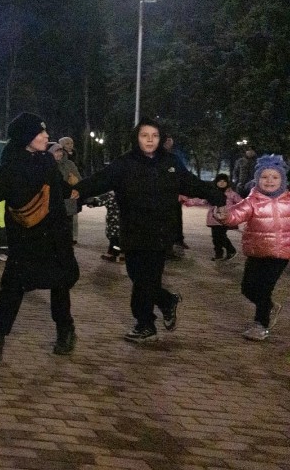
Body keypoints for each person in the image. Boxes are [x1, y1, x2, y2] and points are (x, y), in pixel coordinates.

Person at [75, 118, 224, 343]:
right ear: (137, 138)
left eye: (154, 136)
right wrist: (75, 191)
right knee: (138, 276)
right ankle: (166, 301)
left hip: (161, 230)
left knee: (147, 280)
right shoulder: (124, 163)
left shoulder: (170, 163)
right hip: (133, 230)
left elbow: (192, 184)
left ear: (160, 138)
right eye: (145, 135)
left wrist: (216, 196)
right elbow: (99, 181)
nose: (150, 140)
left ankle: (145, 324)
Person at [0, 113, 79, 361]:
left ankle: (65, 331)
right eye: (40, 133)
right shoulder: (13, 168)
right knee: (12, 288)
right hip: (26, 239)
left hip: (54, 237)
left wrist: (86, 190)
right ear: (26, 137)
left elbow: (63, 188)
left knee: (58, 286)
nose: (46, 136)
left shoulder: (46, 162)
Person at [217, 155, 290, 340]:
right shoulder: (252, 200)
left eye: (275, 177)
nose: (269, 181)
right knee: (247, 288)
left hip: (280, 253)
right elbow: (237, 214)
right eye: (264, 177)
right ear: (257, 180)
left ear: (282, 180)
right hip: (256, 251)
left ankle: (261, 324)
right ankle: (269, 307)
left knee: (264, 288)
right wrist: (225, 216)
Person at [184, 173, 240, 261]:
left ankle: (231, 250)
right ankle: (218, 254)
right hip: (213, 219)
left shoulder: (232, 194)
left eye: (224, 181)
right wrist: (189, 202)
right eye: (219, 181)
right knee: (215, 238)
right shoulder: (212, 193)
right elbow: (202, 201)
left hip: (225, 218)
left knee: (221, 236)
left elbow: (241, 203)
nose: (222, 183)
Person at [50, 141, 81, 243]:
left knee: (68, 223)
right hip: (55, 200)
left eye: (60, 151)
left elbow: (78, 179)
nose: (59, 154)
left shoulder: (69, 164)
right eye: (56, 152)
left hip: (68, 199)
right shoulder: (48, 166)